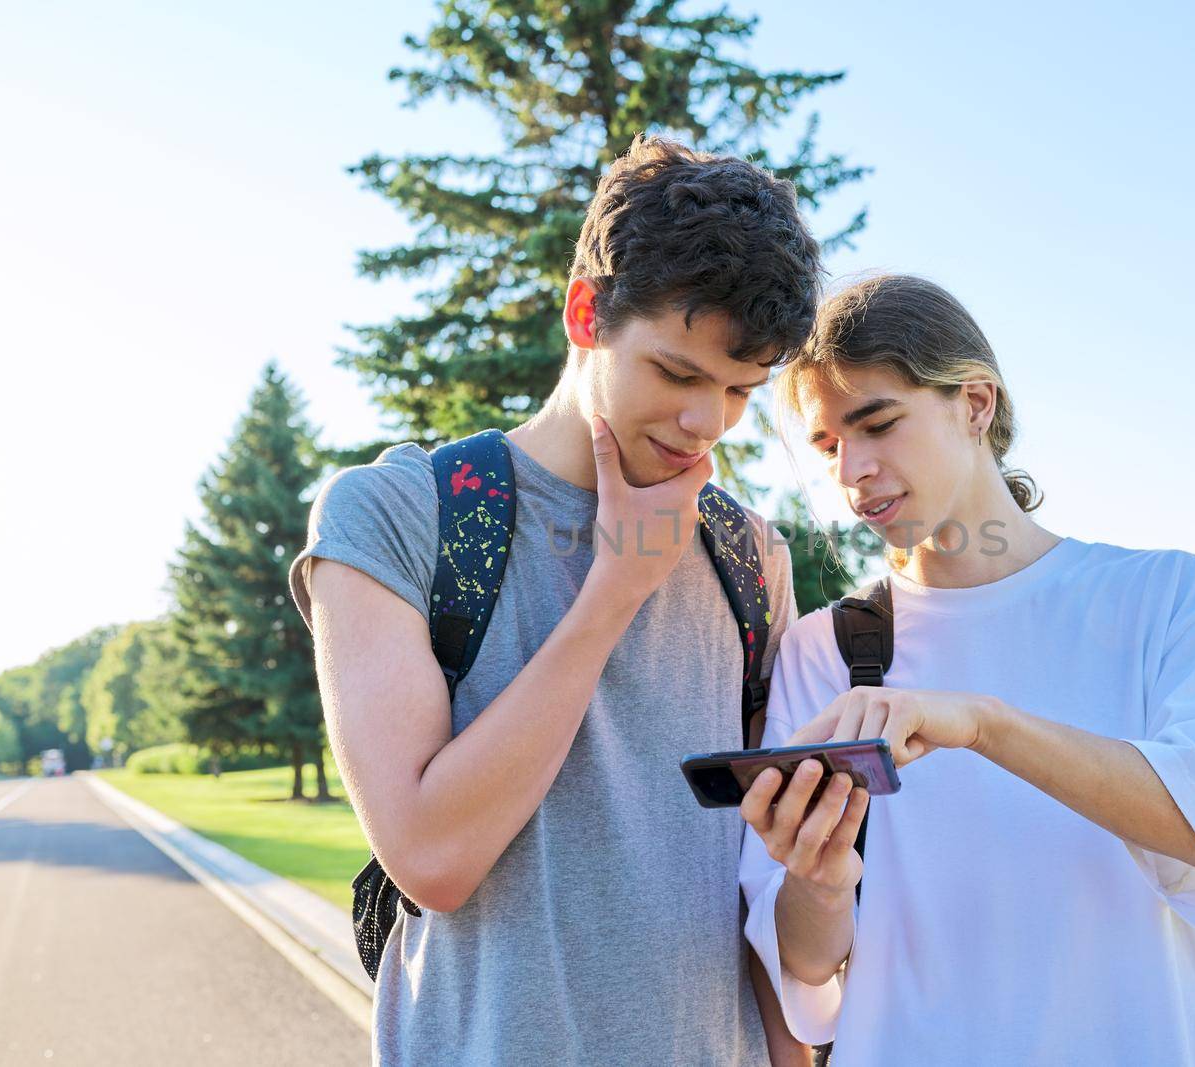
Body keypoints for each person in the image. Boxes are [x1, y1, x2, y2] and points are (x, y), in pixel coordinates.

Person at [290, 136, 823, 1065]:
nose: (709, 423)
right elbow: (432, 857)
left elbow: (759, 884)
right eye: (677, 373)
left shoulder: (750, 558)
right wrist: (615, 590)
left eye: (741, 390)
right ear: (587, 313)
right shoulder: (395, 513)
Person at [739, 275, 1195, 1064]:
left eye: (877, 424)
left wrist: (984, 724)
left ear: (975, 404)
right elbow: (806, 968)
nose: (853, 472)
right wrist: (817, 879)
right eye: (828, 446)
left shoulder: (1161, 596)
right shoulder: (828, 649)